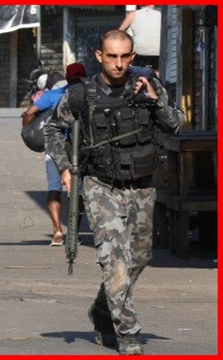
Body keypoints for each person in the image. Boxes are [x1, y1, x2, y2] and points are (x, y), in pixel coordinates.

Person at [44, 30, 183, 355]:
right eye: (112, 57)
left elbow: (176, 123)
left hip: (141, 183)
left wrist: (155, 100)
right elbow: (52, 129)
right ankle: (129, 336)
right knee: (114, 262)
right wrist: (65, 168)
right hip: (99, 184)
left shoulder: (147, 85)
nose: (118, 64)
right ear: (99, 57)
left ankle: (103, 309)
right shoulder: (82, 94)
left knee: (140, 256)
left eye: (124, 57)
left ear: (132, 57)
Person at [21, 62, 86, 246]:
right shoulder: (87, 94)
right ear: (82, 76)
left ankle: (57, 231)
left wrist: (26, 130)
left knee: (53, 189)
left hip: (53, 148)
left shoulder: (52, 95)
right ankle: (73, 232)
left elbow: (30, 112)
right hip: (77, 150)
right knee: (75, 191)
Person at [119, 5, 161, 75]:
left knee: (132, 65)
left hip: (139, 53)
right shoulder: (160, 15)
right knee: (157, 71)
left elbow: (119, 32)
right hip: (157, 52)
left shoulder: (132, 15)